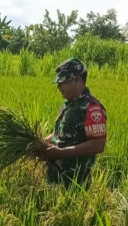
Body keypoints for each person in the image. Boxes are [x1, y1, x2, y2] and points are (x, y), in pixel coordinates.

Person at [39, 58, 107, 190]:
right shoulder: (67, 105)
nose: (58, 86)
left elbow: (98, 145)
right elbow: (59, 135)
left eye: (63, 81)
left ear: (77, 79)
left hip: (74, 182)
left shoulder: (92, 107)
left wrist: (60, 152)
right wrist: (40, 143)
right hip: (55, 178)